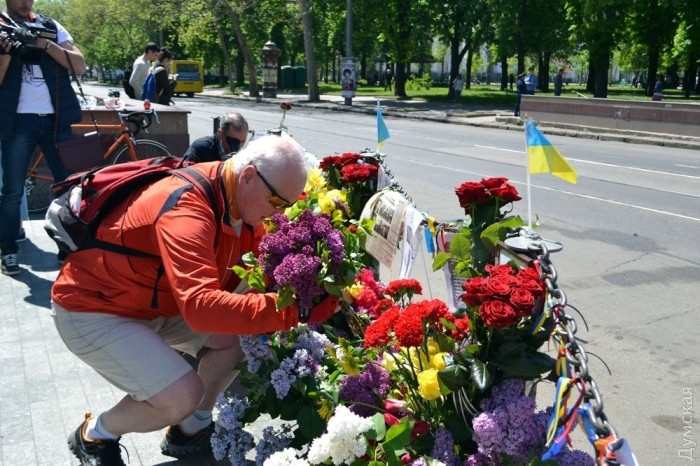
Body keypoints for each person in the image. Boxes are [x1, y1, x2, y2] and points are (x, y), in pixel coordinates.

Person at [52, 134, 340, 466]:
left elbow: (249, 278)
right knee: (181, 396)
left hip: (153, 304)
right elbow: (202, 308)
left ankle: (189, 429)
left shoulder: (238, 201)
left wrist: (311, 279)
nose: (280, 215)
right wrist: (295, 310)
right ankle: (96, 434)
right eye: (278, 203)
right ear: (247, 177)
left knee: (240, 340)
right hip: (93, 308)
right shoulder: (186, 208)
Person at [0, 0, 86, 276]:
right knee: (12, 189)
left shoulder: (50, 27)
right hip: (18, 120)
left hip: (55, 119)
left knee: (68, 186)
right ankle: (8, 247)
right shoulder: (1, 28)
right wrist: (7, 53)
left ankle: (67, 246)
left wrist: (45, 44)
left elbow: (80, 65)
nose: (24, 3)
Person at [182, 113, 249, 164]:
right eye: (234, 142)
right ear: (220, 133)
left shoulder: (248, 152)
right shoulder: (200, 149)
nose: (239, 147)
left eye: (243, 142)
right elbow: (184, 175)